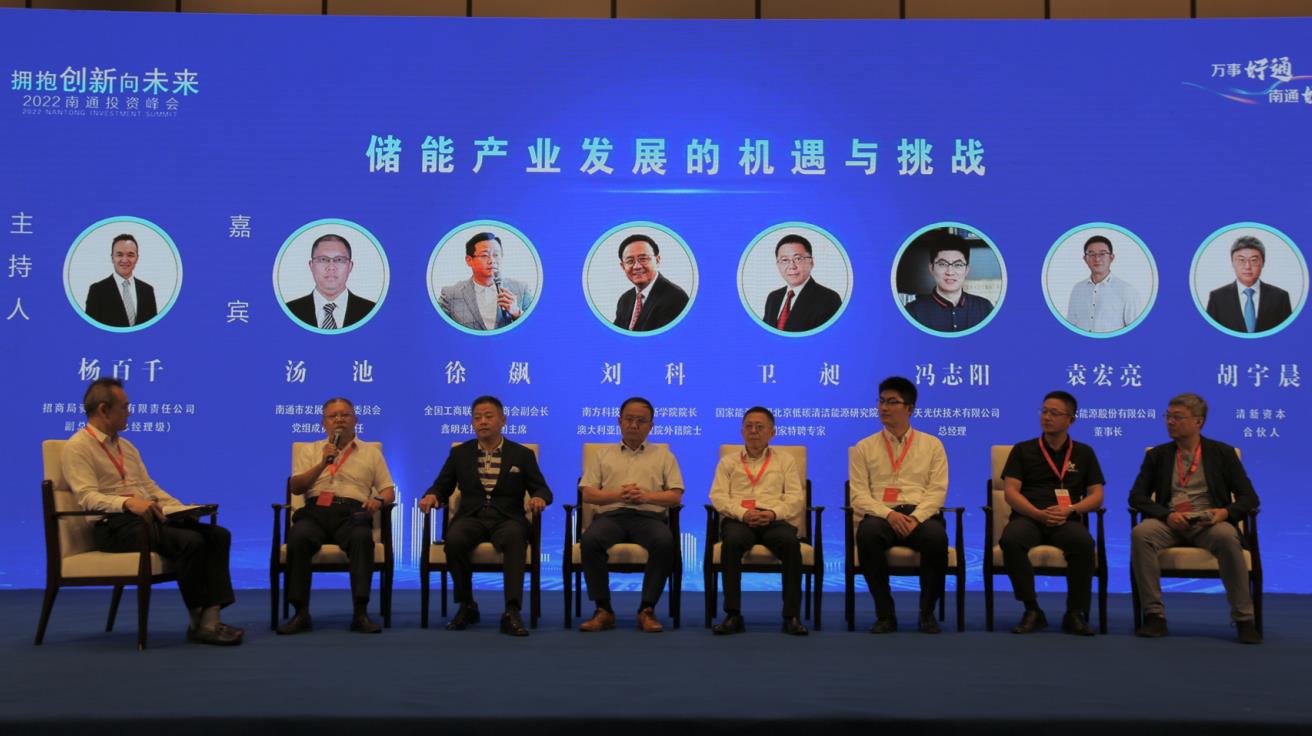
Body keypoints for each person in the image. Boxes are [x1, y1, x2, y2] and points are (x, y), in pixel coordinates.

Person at [61, 378, 241, 645]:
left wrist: (182, 509)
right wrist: (126, 503)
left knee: (218, 535)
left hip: (146, 520)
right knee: (190, 541)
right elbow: (87, 497)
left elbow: (149, 488)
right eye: (125, 407)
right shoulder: (78, 447)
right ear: (103, 410)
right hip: (114, 527)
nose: (130, 412)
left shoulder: (126, 447)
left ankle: (211, 619)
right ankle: (199, 622)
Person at [1129, 393, 1261, 644]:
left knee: (1227, 537)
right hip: (1169, 522)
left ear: (1198, 421)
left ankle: (1244, 618)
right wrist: (1166, 515)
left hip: (1209, 522)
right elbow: (1136, 496)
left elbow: (1249, 498)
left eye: (1177, 417)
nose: (1170, 422)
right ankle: (1154, 615)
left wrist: (1224, 513)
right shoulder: (1158, 455)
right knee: (1141, 533)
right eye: (1168, 416)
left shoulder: (1222, 453)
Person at [418, 395, 550, 636]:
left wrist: (539, 498)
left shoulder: (521, 455)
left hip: (508, 518)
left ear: (503, 420)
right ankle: (467, 604)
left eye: (489, 416)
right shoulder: (460, 453)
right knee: (454, 539)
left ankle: (511, 611)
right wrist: (432, 496)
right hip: (472, 517)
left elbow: (542, 489)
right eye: (477, 417)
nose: (483, 422)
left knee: (515, 538)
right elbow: (441, 486)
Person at [276, 397, 395, 635]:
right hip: (315, 512)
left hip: (352, 512)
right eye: (333, 416)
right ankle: (301, 613)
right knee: (298, 537)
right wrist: (323, 462)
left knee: (362, 538)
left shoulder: (371, 453)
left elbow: (388, 490)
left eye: (345, 415)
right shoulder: (310, 450)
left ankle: (360, 613)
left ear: (355, 420)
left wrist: (379, 500)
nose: (339, 420)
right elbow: (296, 487)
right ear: (323, 423)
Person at [998, 390, 1105, 636]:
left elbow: (1097, 495)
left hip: (1066, 519)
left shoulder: (1084, 453)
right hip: (1030, 516)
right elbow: (1011, 492)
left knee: (1083, 543)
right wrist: (1037, 513)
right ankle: (1032, 609)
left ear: (1071, 419)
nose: (1046, 417)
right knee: (1011, 539)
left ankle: (1074, 613)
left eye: (1054, 413)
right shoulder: (1023, 450)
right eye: (1044, 411)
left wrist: (1071, 510)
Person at [849, 376, 949, 634]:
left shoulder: (932, 445)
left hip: (919, 516)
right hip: (882, 516)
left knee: (937, 538)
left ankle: (927, 613)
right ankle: (885, 614)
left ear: (910, 408)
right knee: (868, 535)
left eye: (892, 402)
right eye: (881, 401)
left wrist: (916, 518)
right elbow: (858, 495)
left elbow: (937, 491)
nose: (884, 407)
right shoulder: (864, 447)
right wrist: (889, 515)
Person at [577, 397, 684, 633]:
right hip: (611, 517)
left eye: (641, 421)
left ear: (651, 426)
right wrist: (619, 495)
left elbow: (675, 496)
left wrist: (645, 497)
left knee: (665, 542)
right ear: (619, 421)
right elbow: (588, 493)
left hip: (648, 518)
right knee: (591, 540)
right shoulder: (602, 455)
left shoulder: (664, 456)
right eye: (629, 419)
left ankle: (647, 609)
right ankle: (603, 610)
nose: (634, 425)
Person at [708, 407, 807, 635]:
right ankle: (733, 615)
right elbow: (718, 496)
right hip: (739, 519)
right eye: (749, 426)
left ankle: (791, 616)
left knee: (790, 544)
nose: (753, 431)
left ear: (772, 432)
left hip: (774, 519)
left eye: (760, 427)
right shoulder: (728, 462)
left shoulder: (786, 461)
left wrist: (772, 513)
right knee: (732, 543)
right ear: (742, 431)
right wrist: (743, 513)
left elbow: (795, 498)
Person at [438, 232, 534, 330]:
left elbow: (536, 328)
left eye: (496, 255)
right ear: (469, 260)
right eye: (484, 255)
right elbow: (437, 328)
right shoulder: (450, 295)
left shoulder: (521, 289)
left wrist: (517, 313)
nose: (492, 261)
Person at [904, 229, 994, 333]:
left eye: (958, 265)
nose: (950, 272)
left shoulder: (984, 308)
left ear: (966, 270)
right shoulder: (913, 311)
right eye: (942, 264)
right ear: (931, 268)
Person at [284, 233, 378, 329]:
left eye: (339, 260)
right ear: (311, 265)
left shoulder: (372, 311)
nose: (331, 267)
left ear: (350, 266)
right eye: (323, 259)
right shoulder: (289, 310)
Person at [1205, 235, 1293, 334]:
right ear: (1232, 263)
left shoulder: (1280, 297)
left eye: (1253, 260)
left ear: (1263, 263)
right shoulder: (1217, 298)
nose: (1247, 266)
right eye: (1241, 260)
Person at [762, 234, 842, 332]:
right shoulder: (773, 298)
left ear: (811, 262)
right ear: (778, 265)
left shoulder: (829, 299)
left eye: (798, 259)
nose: (792, 266)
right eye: (785, 260)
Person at [612, 234, 690, 332]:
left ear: (657, 260)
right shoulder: (624, 300)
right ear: (623, 266)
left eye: (643, 259)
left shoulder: (675, 298)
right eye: (630, 261)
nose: (637, 266)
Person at [1065, 235, 1142, 332]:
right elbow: (1071, 325)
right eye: (1091, 254)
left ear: (1111, 257)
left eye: (1102, 253)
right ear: (1085, 259)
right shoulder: (1078, 289)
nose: (1097, 259)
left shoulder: (1127, 290)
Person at [84, 233, 159, 328]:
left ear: (137, 258)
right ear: (112, 258)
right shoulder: (97, 290)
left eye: (130, 255)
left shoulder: (147, 290)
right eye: (119, 255)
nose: (124, 260)